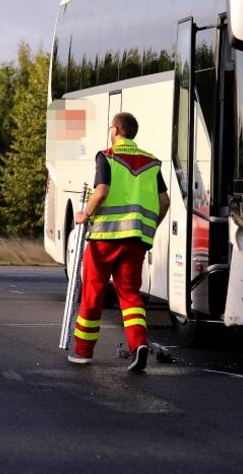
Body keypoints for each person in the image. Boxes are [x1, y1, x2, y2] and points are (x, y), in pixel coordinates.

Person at [68, 112, 170, 372]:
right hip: (136, 241)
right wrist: (148, 229)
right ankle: (139, 345)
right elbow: (165, 201)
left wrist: (85, 214)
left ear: (115, 129)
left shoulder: (107, 156)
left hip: (104, 238)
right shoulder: (151, 162)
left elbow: (101, 192)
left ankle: (82, 352)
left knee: (93, 292)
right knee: (130, 295)